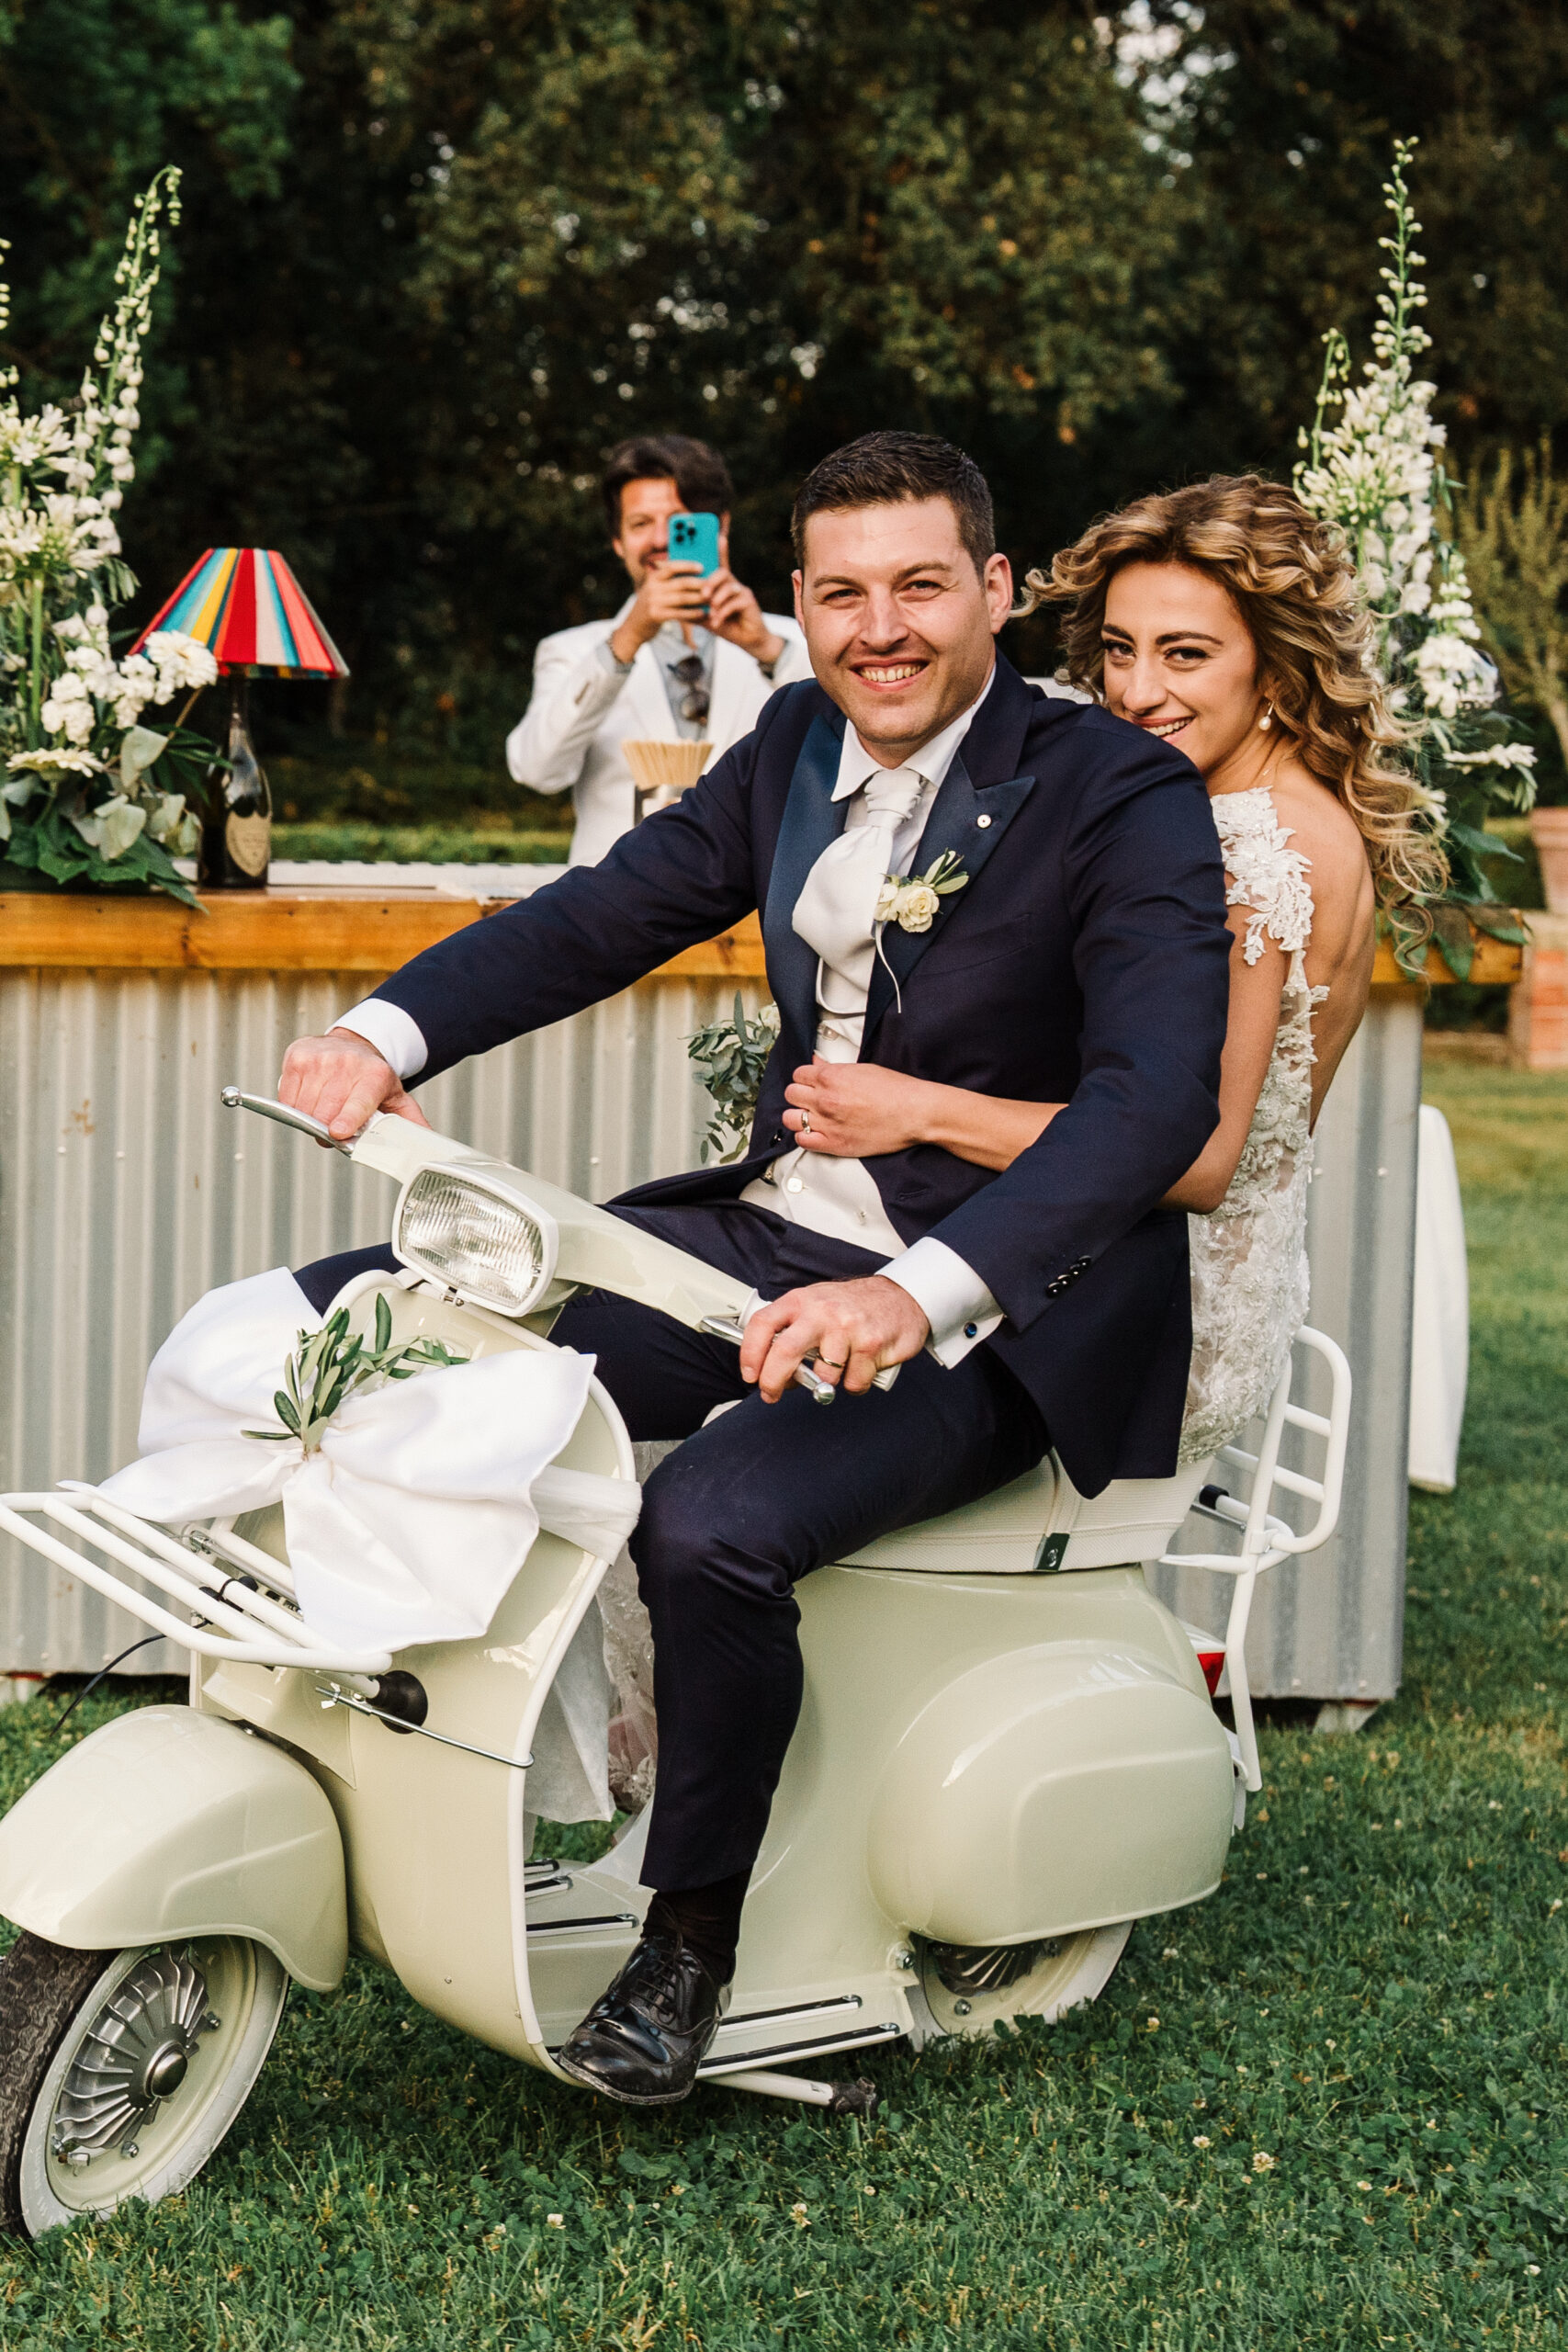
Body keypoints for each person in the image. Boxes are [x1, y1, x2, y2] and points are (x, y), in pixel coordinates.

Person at [276, 432, 1234, 2108]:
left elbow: (1153, 1109)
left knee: (712, 1520)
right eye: (842, 593)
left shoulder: (1118, 791)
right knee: (362, 1330)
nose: (881, 629)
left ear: (997, 590)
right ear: (796, 599)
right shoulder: (792, 733)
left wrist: (913, 1295)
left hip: (1003, 1310)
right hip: (775, 1231)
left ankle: (689, 1940)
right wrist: (383, 1032)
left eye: (921, 586)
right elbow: (603, 912)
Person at [781, 474, 1443, 1461]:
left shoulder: (1246, 849)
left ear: (1274, 667)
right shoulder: (1279, 808)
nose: (1135, 692)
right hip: (1146, 1267)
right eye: (1122, 650)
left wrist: (915, 1109)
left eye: (1185, 654)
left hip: (1146, 1313)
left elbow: (1198, 1157)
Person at [506, 434, 811, 864]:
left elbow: (850, 740)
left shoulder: (792, 640)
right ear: (618, 541)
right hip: (613, 898)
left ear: (721, 527)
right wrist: (625, 642)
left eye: (680, 521)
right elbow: (537, 771)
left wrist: (766, 649)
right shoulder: (573, 652)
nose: (662, 539)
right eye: (640, 523)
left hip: (757, 897)